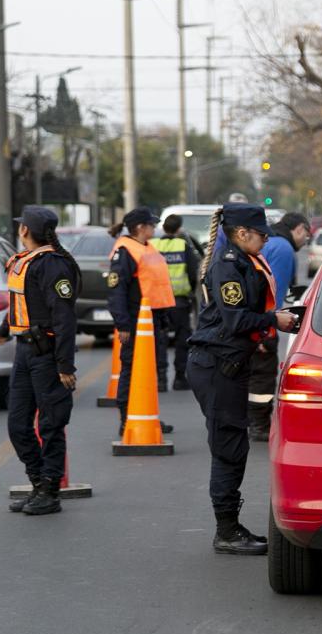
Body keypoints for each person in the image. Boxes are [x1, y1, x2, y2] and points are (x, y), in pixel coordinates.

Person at [187, 203, 298, 554]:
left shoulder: (245, 261)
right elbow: (236, 320)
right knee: (228, 449)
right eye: (261, 234)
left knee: (233, 447)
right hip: (216, 367)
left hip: (229, 365)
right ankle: (227, 530)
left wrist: (271, 324)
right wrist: (271, 322)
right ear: (241, 233)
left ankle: (231, 527)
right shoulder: (228, 266)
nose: (266, 240)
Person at [0, 206, 80, 516]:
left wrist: (65, 365)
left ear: (25, 231)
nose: (19, 229)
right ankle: (38, 482)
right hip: (24, 351)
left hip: (47, 353)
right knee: (18, 424)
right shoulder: (25, 262)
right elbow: (21, 302)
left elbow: (64, 318)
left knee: (51, 424)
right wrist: (2, 331)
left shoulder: (52, 265)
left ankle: (50, 491)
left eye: (20, 226)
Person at [106, 207, 176, 434]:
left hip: (151, 321)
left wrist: (163, 319)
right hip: (135, 322)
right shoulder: (125, 251)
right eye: (151, 225)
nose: (154, 228)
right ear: (140, 227)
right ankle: (127, 419)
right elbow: (117, 291)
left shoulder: (147, 247)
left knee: (148, 370)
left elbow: (154, 285)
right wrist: (123, 324)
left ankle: (147, 415)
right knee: (131, 370)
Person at [247, 212, 310, 442]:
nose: (305, 242)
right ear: (300, 229)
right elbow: (274, 294)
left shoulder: (269, 242)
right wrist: (266, 331)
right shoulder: (283, 249)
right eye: (307, 236)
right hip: (263, 322)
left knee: (249, 373)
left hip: (246, 318)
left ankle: (249, 419)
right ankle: (259, 424)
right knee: (263, 376)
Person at [150, 214, 199, 391]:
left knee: (160, 339)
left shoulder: (153, 246)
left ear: (163, 228)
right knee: (181, 339)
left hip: (157, 301)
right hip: (179, 300)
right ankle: (179, 378)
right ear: (179, 229)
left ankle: (161, 380)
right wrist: (190, 292)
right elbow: (193, 274)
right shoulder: (183, 245)